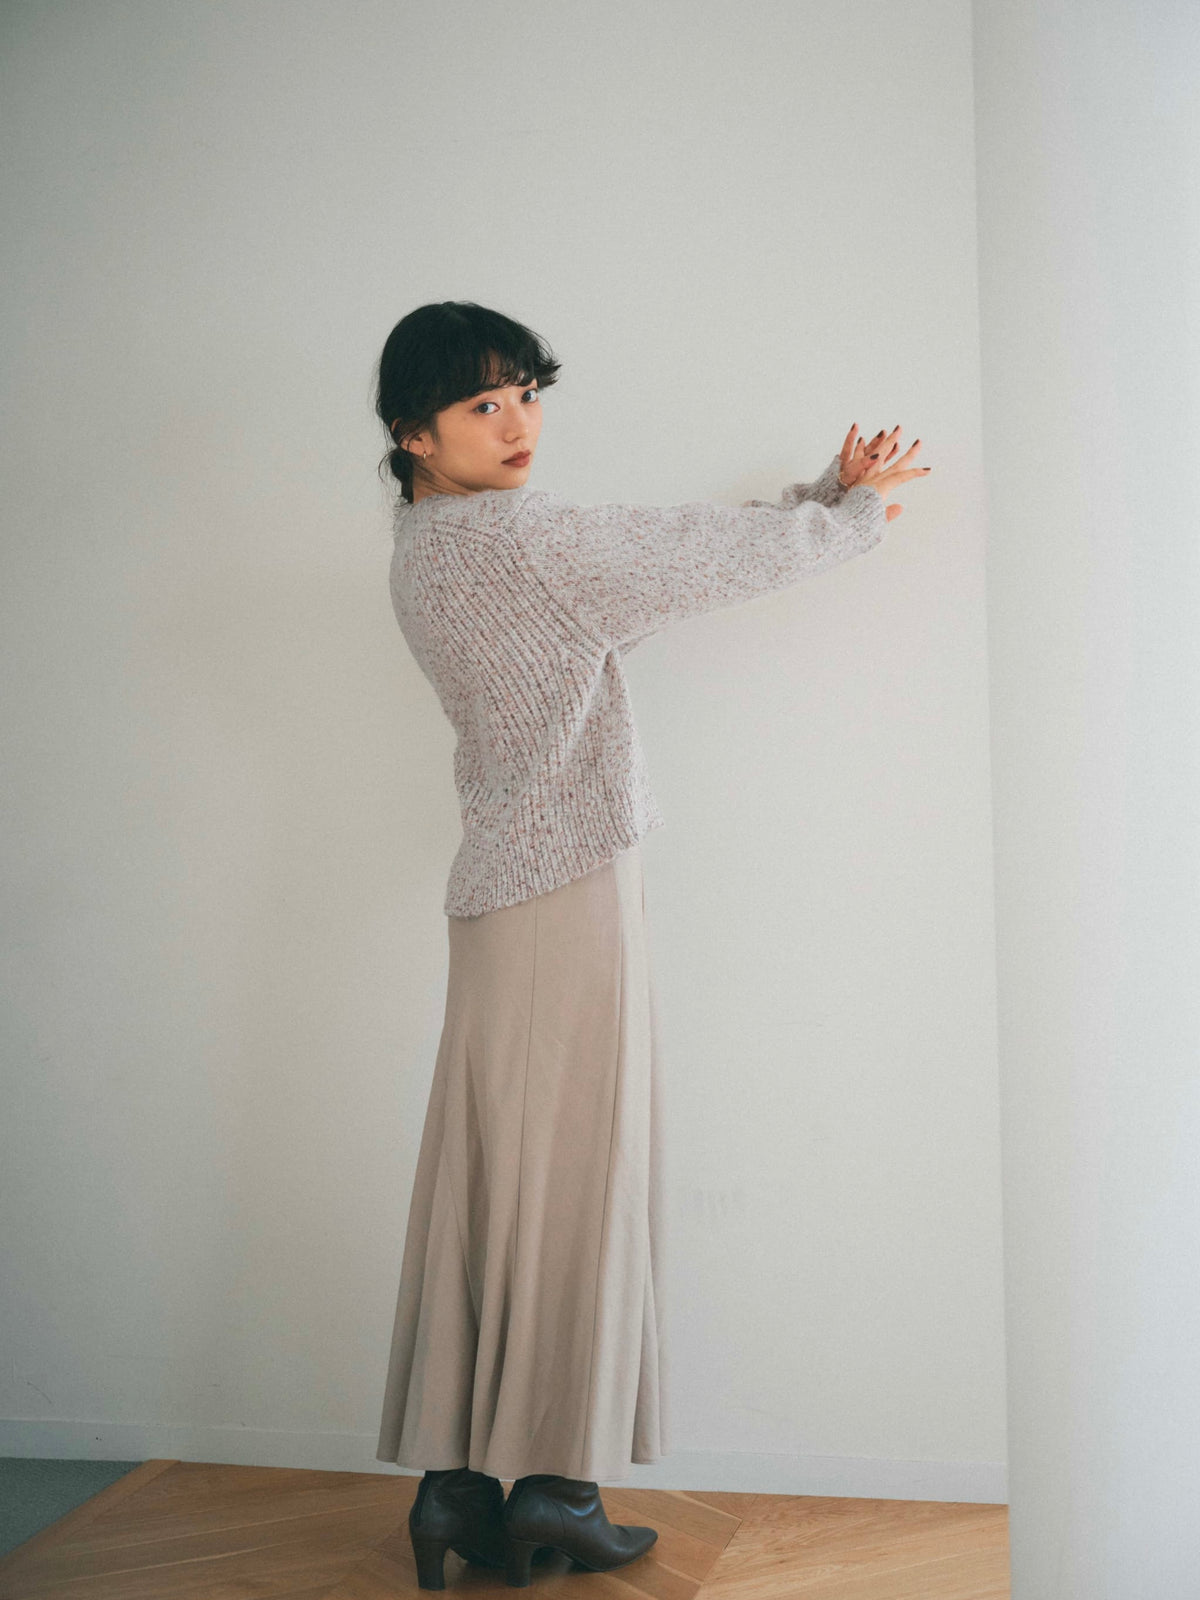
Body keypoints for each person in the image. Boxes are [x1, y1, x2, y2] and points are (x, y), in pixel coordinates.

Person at [370, 299, 932, 1590]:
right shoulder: (524, 540)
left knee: (490, 1183)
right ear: (414, 434)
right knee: (577, 1183)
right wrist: (846, 512)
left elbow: (644, 571)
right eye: (482, 405)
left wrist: (819, 495)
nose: (519, 424)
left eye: (527, 394)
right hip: (566, 886)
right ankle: (556, 1493)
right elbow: (692, 554)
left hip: (496, 897)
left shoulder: (424, 552)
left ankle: (455, 1492)